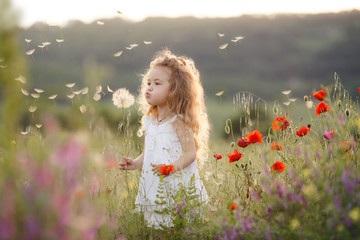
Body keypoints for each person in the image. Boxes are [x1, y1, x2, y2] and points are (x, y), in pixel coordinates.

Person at [119, 49, 209, 229]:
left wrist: (171, 168)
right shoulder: (150, 121)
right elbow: (147, 154)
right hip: (156, 187)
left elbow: (190, 153)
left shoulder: (178, 121)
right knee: (159, 229)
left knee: (179, 228)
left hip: (176, 185)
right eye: (148, 82)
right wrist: (135, 163)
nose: (149, 87)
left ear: (175, 89)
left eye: (157, 83)